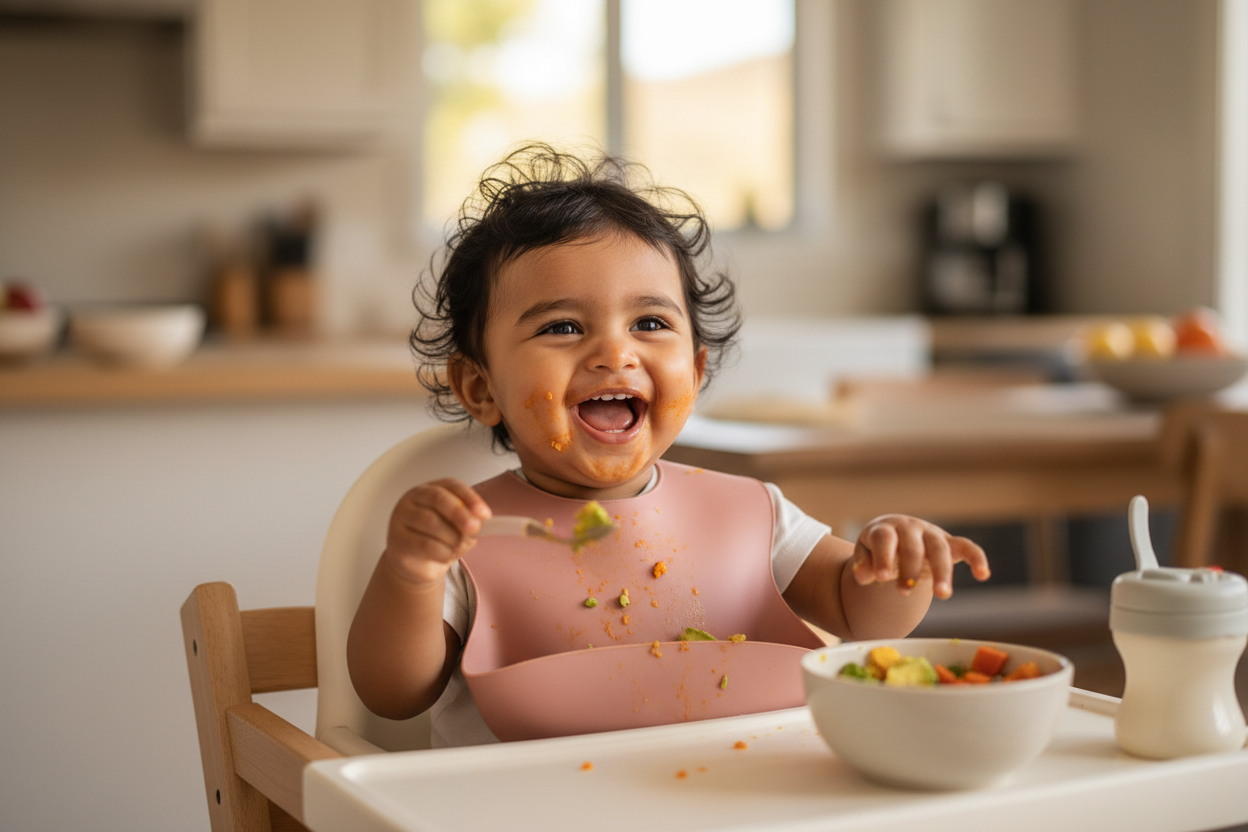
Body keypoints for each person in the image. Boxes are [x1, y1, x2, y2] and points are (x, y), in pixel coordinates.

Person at [348, 144, 990, 746]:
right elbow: (393, 693)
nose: (615, 352)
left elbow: (865, 617)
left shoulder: (752, 513)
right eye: (563, 326)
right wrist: (411, 574)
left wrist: (897, 567)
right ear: (480, 387)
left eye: (650, 323)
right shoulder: (471, 537)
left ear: (697, 369)